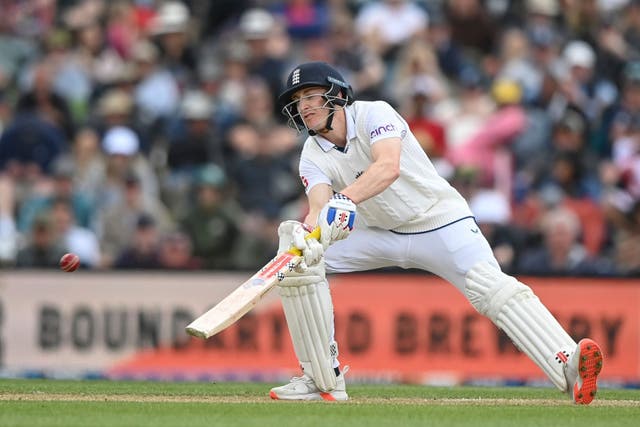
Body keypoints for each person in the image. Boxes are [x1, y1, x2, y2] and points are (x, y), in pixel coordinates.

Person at [269, 61, 603, 404]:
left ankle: (569, 366)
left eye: (311, 95)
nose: (304, 106)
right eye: (298, 101)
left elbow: (387, 167)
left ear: (337, 95)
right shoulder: (311, 153)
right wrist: (309, 234)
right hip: (378, 234)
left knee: (489, 286)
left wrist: (344, 200)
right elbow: (318, 205)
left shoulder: (374, 113)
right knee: (300, 260)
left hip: (438, 220)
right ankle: (321, 379)